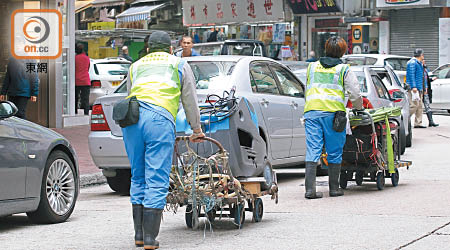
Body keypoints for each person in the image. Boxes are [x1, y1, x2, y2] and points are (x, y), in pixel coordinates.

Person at [122, 31, 205, 249]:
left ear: (148, 49)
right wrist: (196, 129)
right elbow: (189, 100)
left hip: (132, 120)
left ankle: (139, 235)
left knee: (138, 176)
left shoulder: (136, 65)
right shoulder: (178, 64)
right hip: (158, 120)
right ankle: (150, 238)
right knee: (156, 177)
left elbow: (130, 94)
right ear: (171, 48)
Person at [303, 36, 363, 199]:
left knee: (313, 149)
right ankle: (334, 188)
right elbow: (355, 93)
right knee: (334, 151)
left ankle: (310, 190)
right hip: (334, 115)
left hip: (312, 112)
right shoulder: (344, 69)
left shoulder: (312, 67)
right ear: (343, 51)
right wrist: (359, 108)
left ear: (326, 49)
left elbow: (307, 88)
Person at [406, 48, 426, 128]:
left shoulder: (419, 63)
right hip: (414, 88)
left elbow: (422, 76)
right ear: (420, 55)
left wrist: (424, 88)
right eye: (422, 55)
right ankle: (405, 118)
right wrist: (413, 86)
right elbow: (411, 75)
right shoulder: (412, 63)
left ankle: (418, 123)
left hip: (419, 87)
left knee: (420, 105)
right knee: (414, 105)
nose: (423, 56)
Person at [75, 43, 91, 115]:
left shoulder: (75, 58)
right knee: (85, 99)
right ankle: (86, 112)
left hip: (76, 81)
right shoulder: (87, 58)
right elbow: (88, 68)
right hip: (85, 81)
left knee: (75, 98)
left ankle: (75, 111)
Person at [422, 60, 438, 127]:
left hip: (426, 89)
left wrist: (431, 79)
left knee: (427, 105)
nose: (424, 61)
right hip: (421, 89)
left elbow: (426, 79)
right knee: (416, 106)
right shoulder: (419, 69)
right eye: (422, 60)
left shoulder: (425, 69)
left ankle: (431, 121)